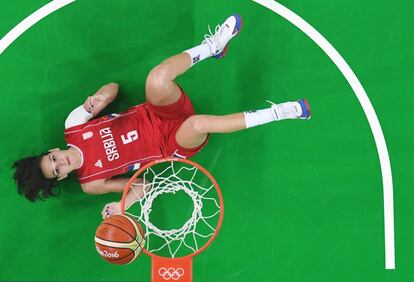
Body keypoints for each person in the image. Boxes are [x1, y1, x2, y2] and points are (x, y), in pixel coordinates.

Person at [12, 14, 311, 218]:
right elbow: (142, 187)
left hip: (157, 110)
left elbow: (113, 88)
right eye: (56, 170)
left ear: (53, 151)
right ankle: (277, 112)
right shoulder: (90, 182)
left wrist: (100, 97)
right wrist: (121, 207)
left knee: (156, 78)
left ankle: (213, 47)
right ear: (62, 176)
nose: (59, 163)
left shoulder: (74, 125)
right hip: (171, 144)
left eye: (53, 159)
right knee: (198, 123)